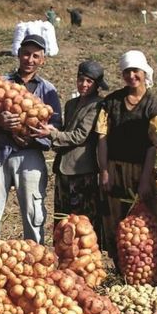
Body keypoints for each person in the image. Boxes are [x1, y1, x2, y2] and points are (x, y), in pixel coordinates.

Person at [95, 50, 157, 273]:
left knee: (153, 216)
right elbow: (102, 138)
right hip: (113, 167)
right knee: (113, 217)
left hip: (141, 169)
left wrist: (144, 179)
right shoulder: (111, 102)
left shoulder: (154, 106)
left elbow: (153, 146)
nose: (132, 75)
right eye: (127, 71)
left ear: (144, 72)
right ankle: (123, 266)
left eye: (136, 71)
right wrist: (104, 171)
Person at [0, 34, 62, 245]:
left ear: (42, 60)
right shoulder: (1, 83)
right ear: (18, 54)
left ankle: (35, 260)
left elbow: (55, 125)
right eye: (26, 54)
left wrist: (34, 138)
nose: (30, 59)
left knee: (34, 212)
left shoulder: (48, 90)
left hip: (30, 155)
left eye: (36, 56)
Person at [31, 60, 107, 233]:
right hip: (63, 168)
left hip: (82, 170)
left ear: (97, 85)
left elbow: (80, 135)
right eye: (81, 79)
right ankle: (65, 256)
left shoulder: (98, 105)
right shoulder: (71, 104)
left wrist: (51, 134)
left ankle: (86, 256)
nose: (84, 84)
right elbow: (66, 131)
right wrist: (53, 130)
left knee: (82, 223)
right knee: (63, 219)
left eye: (89, 81)